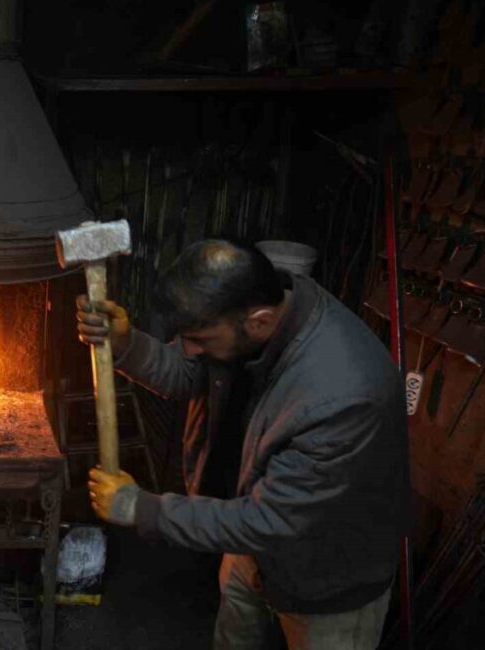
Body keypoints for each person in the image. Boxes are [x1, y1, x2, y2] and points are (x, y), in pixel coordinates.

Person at [78, 240, 411, 649]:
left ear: (260, 321)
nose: (190, 349)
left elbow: (270, 521)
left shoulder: (343, 397)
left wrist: (141, 508)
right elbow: (187, 373)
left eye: (199, 339)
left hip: (325, 579)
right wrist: (127, 344)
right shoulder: (248, 323)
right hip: (247, 544)